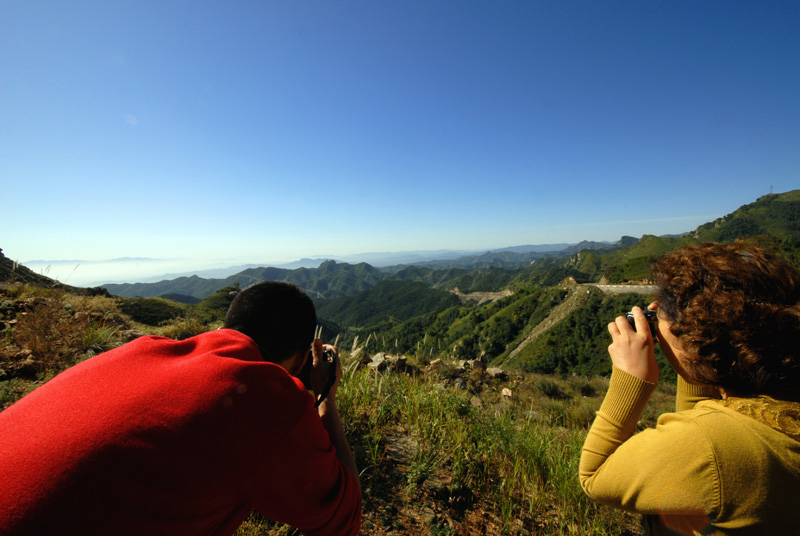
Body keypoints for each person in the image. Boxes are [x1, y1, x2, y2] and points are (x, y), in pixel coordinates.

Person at [0, 281, 361, 536]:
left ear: (225, 325)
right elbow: (344, 519)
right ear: (301, 359)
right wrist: (324, 395)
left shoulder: (141, 348)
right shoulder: (271, 399)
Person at [580, 241, 800, 535]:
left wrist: (629, 377)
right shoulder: (774, 400)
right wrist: (691, 353)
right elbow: (707, 416)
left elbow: (595, 476)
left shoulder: (707, 446)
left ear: (695, 337)